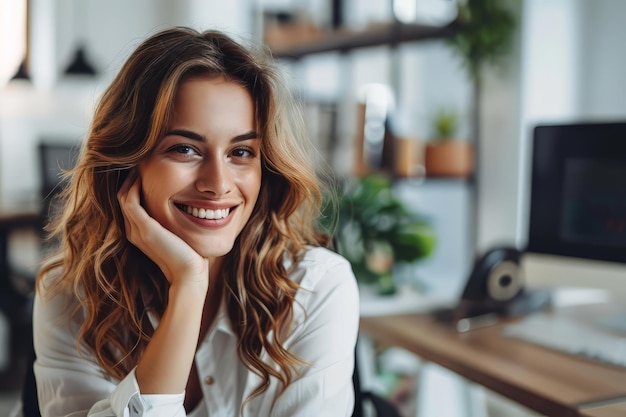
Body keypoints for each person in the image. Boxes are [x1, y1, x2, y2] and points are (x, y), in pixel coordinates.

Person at [30, 27, 359, 417]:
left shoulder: (315, 289)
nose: (218, 184)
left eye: (240, 151)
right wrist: (188, 287)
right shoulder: (70, 297)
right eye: (184, 149)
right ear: (126, 164)